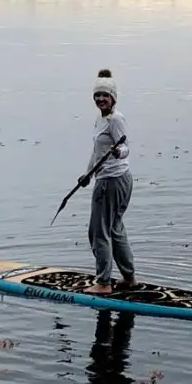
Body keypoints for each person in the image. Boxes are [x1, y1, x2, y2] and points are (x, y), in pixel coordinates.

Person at [78, 68, 135, 294]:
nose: (100, 99)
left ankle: (103, 283)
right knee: (114, 228)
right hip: (114, 178)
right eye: (97, 95)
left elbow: (125, 147)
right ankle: (129, 278)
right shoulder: (100, 119)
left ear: (113, 98)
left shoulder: (115, 119)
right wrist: (88, 174)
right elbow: (96, 151)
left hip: (112, 181)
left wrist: (118, 152)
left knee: (98, 231)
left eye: (105, 95)